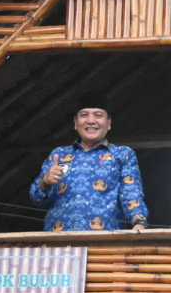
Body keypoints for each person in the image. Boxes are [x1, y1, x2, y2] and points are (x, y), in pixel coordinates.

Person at [30, 91, 149, 232]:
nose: (91, 120)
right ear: (75, 122)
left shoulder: (123, 154)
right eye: (84, 115)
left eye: (98, 115)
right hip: (58, 245)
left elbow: (131, 193)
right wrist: (46, 181)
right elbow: (36, 199)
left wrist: (139, 222)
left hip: (103, 245)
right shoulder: (59, 154)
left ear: (109, 123)